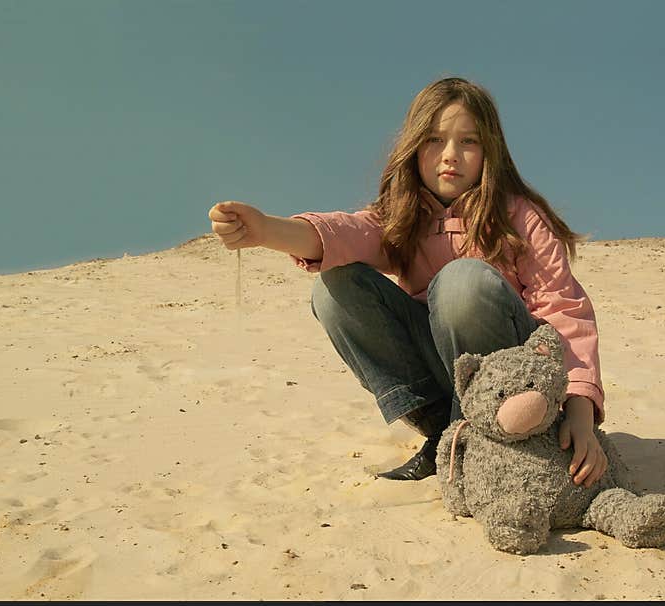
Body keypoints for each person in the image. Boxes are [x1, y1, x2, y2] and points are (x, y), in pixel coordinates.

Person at [209, 76, 607, 486]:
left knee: (462, 284)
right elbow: (345, 234)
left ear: (490, 151)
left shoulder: (519, 218)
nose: (450, 155)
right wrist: (263, 230)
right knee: (335, 288)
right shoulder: (402, 216)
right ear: (415, 146)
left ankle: (484, 434)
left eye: (468, 142)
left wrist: (579, 411)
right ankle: (441, 431)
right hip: (445, 376)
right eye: (435, 140)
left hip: (514, 384)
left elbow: (565, 313)